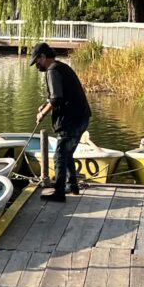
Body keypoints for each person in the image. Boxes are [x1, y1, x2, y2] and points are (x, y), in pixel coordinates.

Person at [30, 42, 91, 202]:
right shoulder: (60, 67)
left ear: (43, 57)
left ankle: (59, 192)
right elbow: (58, 96)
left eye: (36, 61)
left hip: (71, 121)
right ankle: (72, 185)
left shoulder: (52, 70)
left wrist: (42, 113)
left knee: (59, 156)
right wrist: (46, 104)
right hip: (81, 118)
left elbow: (56, 98)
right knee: (67, 153)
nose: (36, 65)